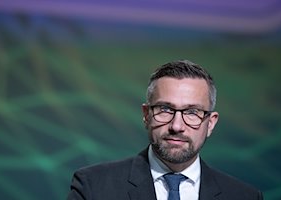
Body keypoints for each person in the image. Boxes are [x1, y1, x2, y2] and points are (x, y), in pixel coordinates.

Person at [67, 60, 263, 200]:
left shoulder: (244, 196)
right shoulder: (93, 187)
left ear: (210, 123)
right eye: (165, 109)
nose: (176, 126)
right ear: (146, 114)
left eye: (192, 112)